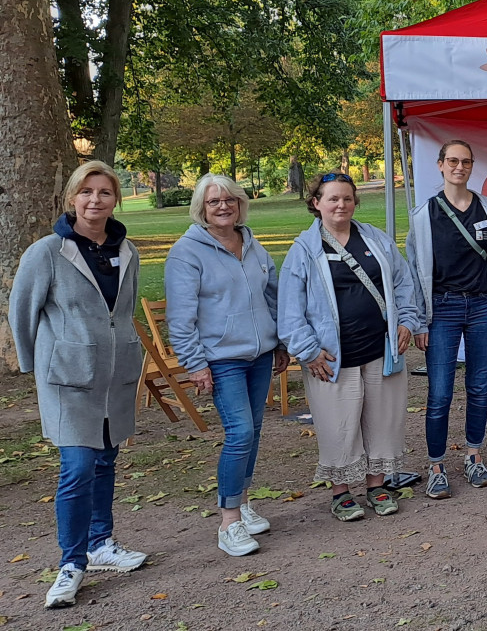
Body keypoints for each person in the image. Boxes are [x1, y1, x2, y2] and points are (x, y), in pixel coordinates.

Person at [9, 161, 148, 608]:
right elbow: (22, 312)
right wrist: (35, 367)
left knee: (106, 459)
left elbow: (122, 313)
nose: (95, 200)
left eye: (104, 192)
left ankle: (101, 542)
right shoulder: (47, 251)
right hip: (67, 378)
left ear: (115, 200)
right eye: (86, 192)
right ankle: (72, 562)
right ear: (72, 198)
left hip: (114, 376)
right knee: (78, 467)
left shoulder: (128, 251)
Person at [278, 172, 422, 520]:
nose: (340, 204)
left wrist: (406, 321)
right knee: (338, 427)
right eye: (332, 198)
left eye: (347, 198)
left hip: (381, 350)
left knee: (382, 422)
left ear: (355, 202)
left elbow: (403, 283)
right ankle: (341, 493)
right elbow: (289, 310)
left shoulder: (376, 240)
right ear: (316, 203)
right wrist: (308, 350)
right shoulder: (304, 251)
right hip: (331, 358)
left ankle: (376, 486)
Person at [164, 174, 291, 556]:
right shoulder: (187, 252)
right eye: (214, 201)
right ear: (201, 208)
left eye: (230, 200)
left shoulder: (252, 245)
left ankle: (243, 500)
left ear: (240, 205)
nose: (223, 207)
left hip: (259, 355)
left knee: (252, 430)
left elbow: (274, 296)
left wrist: (281, 342)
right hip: (221, 359)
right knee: (239, 432)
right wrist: (195, 364)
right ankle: (228, 521)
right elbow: (181, 318)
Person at [407, 140, 487, 499]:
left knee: (479, 387)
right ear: (440, 165)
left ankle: (473, 455)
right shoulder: (424, 215)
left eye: (465, 161)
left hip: (484, 307)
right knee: (439, 392)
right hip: (443, 309)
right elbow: (414, 270)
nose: (459, 167)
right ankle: (436, 465)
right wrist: (420, 320)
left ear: (472, 166)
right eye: (452, 161)